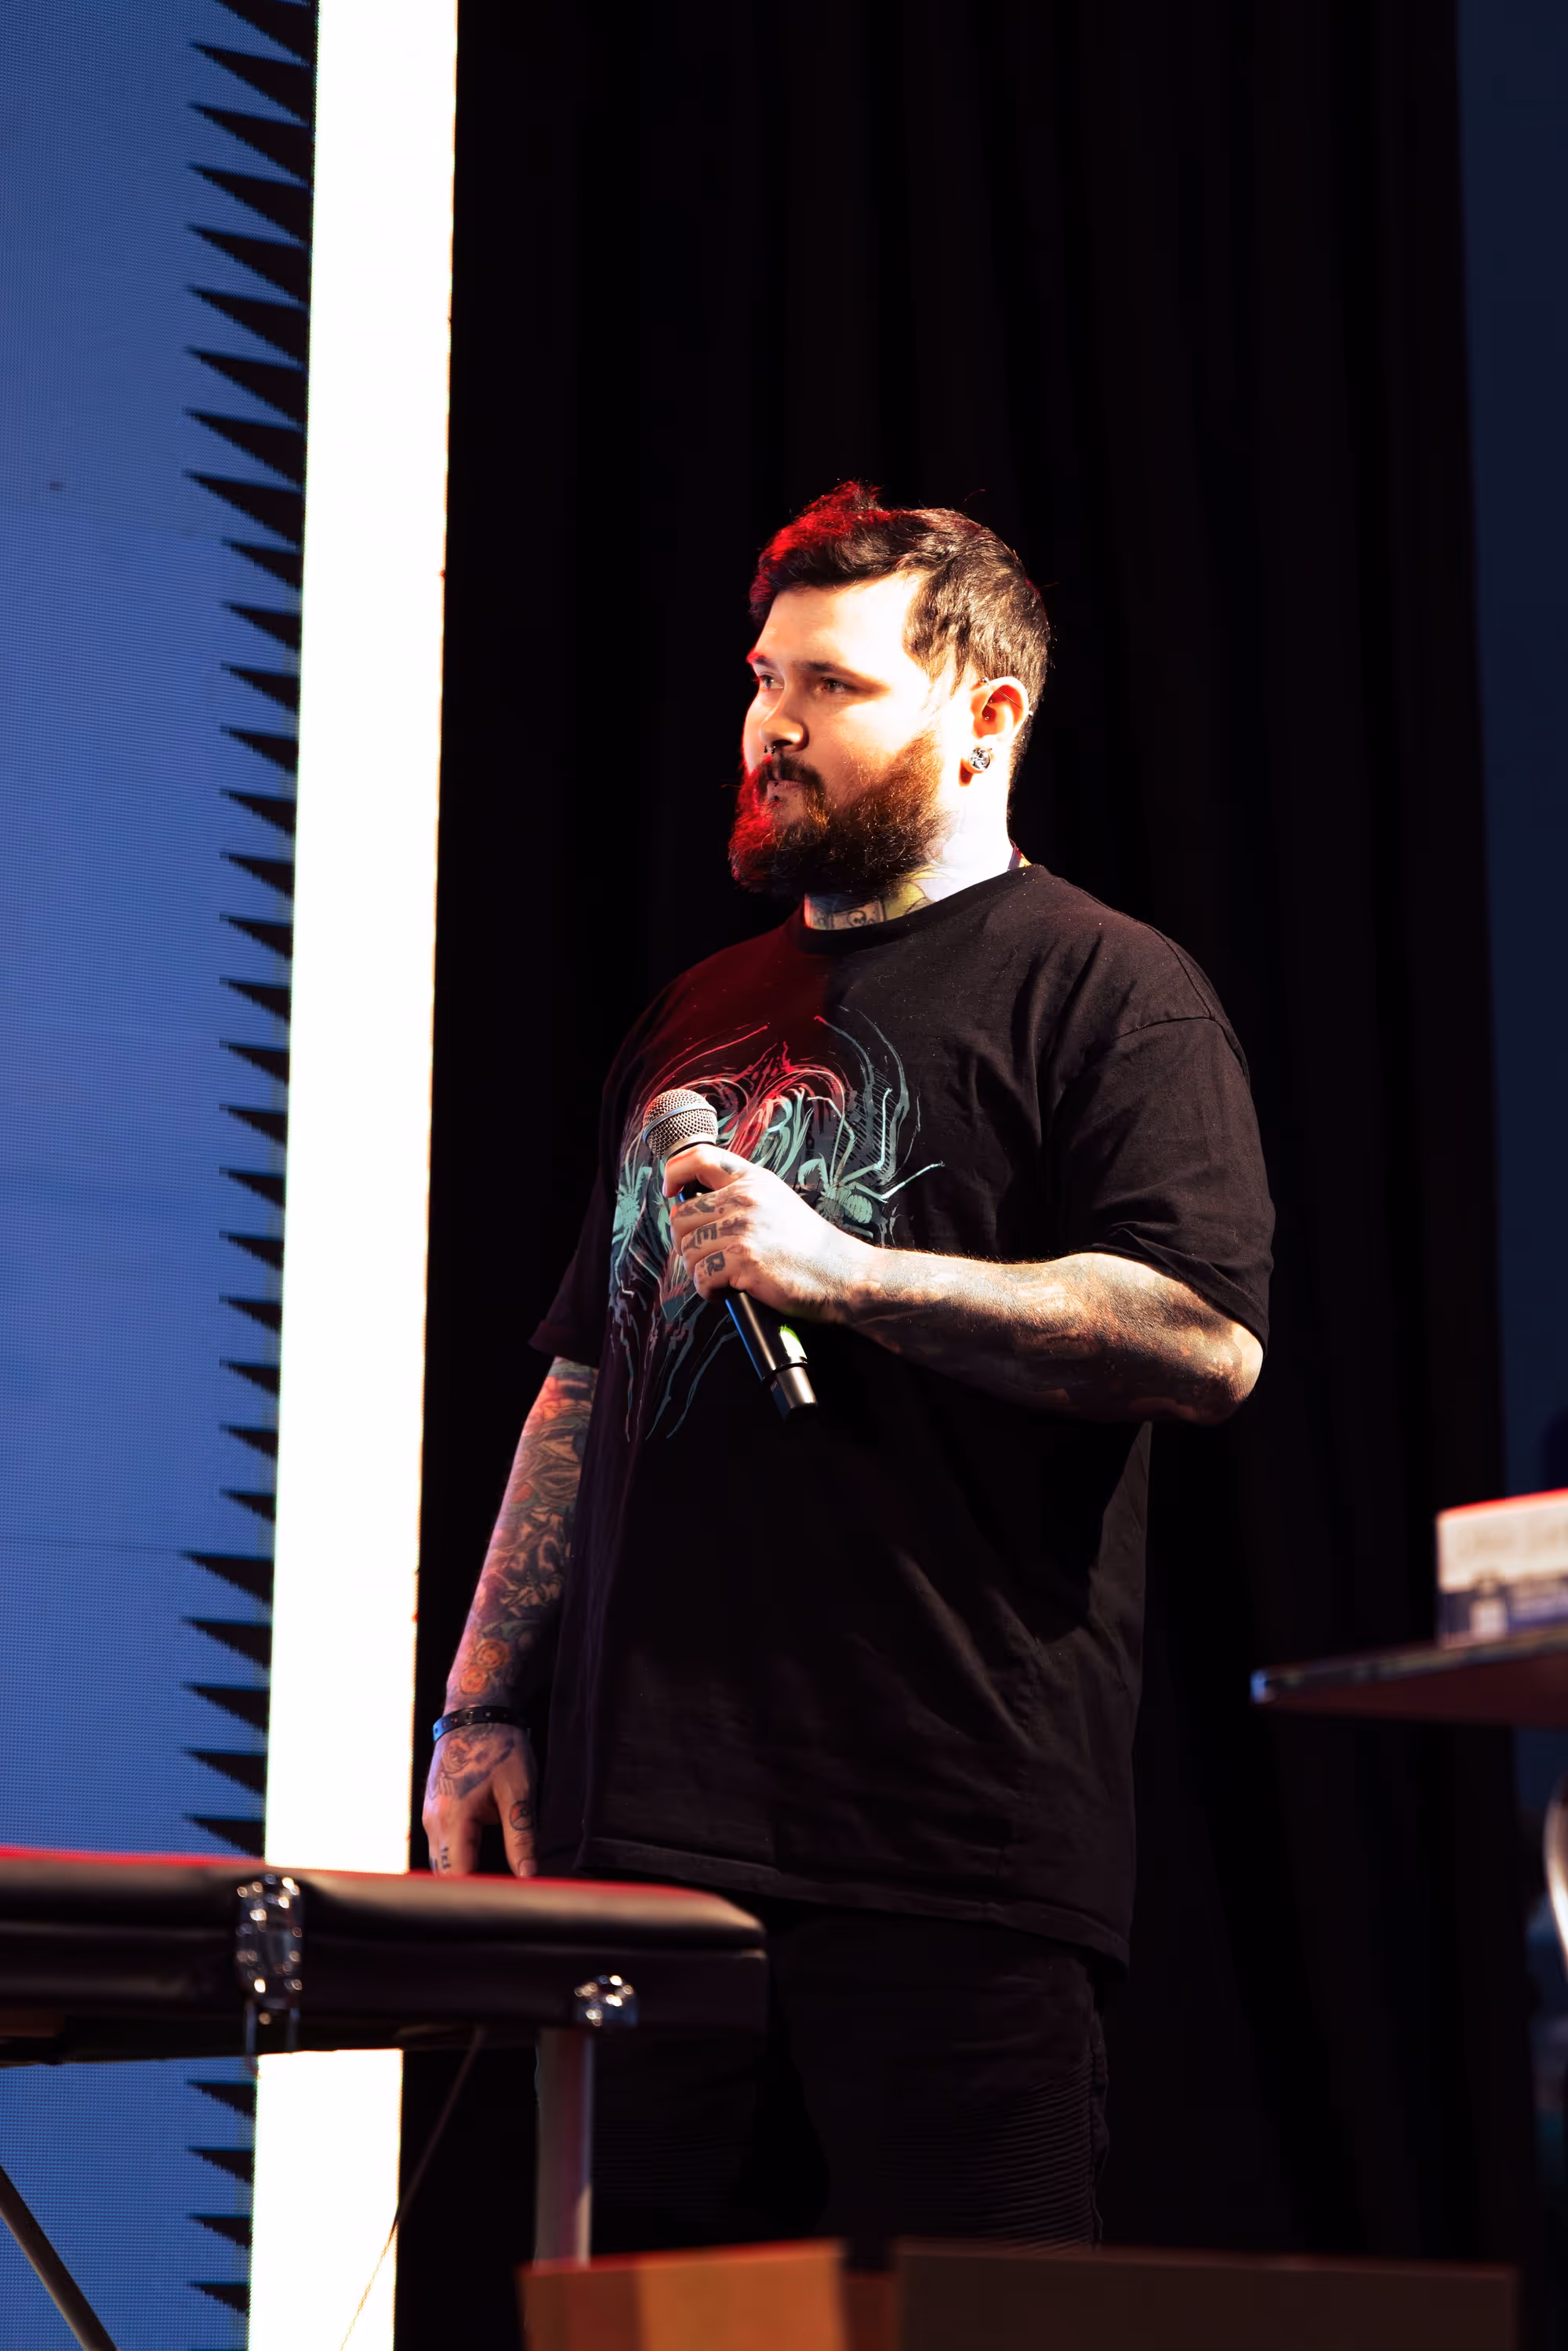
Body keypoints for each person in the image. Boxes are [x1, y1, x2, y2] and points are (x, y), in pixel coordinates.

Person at [423, 483, 1273, 2258]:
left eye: (832, 685)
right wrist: (483, 1703)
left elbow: (1202, 1338)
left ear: (984, 718)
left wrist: (857, 1275)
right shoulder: (695, 1007)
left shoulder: (1112, 993)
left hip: (945, 1844)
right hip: (643, 1847)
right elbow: (588, 1376)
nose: (772, 727)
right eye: (759, 679)